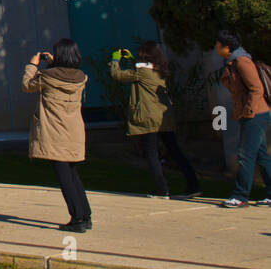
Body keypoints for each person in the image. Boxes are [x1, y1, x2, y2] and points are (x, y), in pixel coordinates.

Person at [109, 43, 201, 199]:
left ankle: (162, 189)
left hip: (150, 118)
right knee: (175, 151)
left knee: (152, 153)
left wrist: (115, 60)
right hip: (165, 118)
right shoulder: (161, 70)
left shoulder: (143, 72)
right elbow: (139, 71)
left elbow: (117, 75)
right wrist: (131, 59)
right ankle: (194, 185)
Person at [22, 40, 91, 231]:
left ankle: (77, 219)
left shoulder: (46, 77)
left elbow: (27, 85)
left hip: (54, 132)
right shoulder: (80, 77)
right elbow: (64, 75)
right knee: (73, 173)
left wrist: (33, 65)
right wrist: (55, 64)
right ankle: (85, 215)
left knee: (64, 178)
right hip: (74, 132)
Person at [215, 30, 271, 208]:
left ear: (227, 47)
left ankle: (240, 196)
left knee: (245, 155)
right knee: (261, 156)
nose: (216, 47)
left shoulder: (242, 62)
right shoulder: (232, 62)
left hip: (255, 115)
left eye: (218, 44)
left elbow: (256, 89)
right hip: (251, 114)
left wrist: (248, 111)